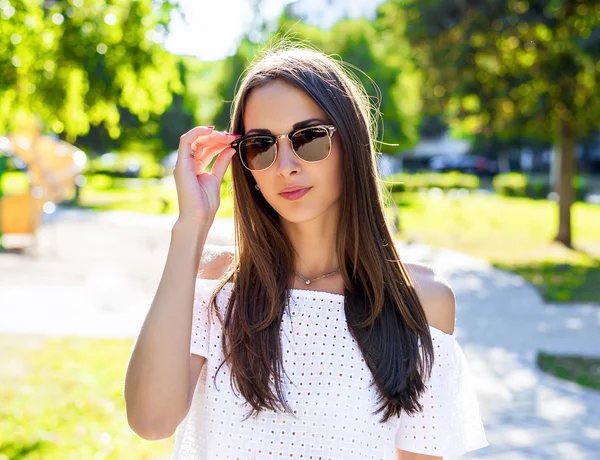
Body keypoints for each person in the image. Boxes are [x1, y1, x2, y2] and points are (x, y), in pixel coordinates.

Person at [124, 45, 488, 459]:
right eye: (261, 145)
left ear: (350, 142)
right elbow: (150, 421)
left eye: (309, 138)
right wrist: (191, 225)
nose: (285, 165)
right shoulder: (215, 286)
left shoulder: (421, 301)